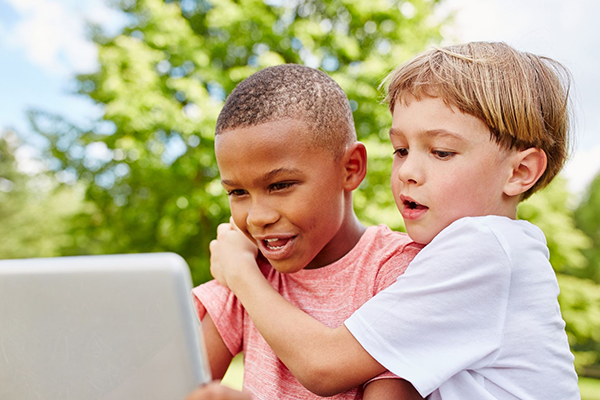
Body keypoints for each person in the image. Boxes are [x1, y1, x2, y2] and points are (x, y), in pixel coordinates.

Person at [207, 42, 580, 399]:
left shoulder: (485, 248)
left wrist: (240, 272)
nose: (407, 172)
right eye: (401, 149)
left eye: (441, 151)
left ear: (520, 172)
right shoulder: (469, 252)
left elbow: (324, 366)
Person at [192, 64, 425, 399]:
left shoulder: (396, 270)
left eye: (280, 185)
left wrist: (242, 275)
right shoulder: (248, 271)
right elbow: (176, 387)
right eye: (237, 193)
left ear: (351, 168)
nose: (258, 218)